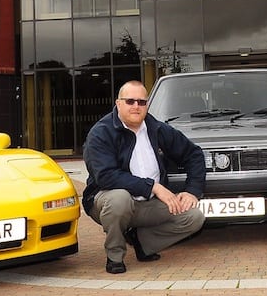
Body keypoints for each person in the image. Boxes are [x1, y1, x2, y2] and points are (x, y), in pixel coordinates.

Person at [82, 80, 206, 274]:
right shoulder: (101, 133)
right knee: (119, 198)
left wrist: (192, 191)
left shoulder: (156, 128)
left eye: (142, 102)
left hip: (147, 204)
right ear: (118, 103)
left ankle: (143, 242)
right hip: (107, 203)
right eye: (130, 101)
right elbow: (106, 176)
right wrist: (153, 187)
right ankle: (115, 256)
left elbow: (194, 154)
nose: (136, 106)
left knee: (193, 217)